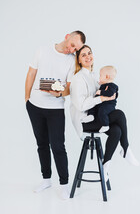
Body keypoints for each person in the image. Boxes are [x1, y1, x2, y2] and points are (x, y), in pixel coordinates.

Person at [25, 30, 86, 199]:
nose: (72, 50)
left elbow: (68, 87)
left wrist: (59, 93)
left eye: (75, 50)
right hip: (35, 106)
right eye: (72, 45)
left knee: (58, 146)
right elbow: (31, 73)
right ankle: (46, 180)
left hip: (55, 110)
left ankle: (64, 184)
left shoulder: (71, 61)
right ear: (68, 36)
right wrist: (26, 99)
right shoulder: (42, 50)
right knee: (41, 144)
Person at [70, 45, 140, 183]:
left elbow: (108, 93)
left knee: (117, 131)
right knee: (119, 115)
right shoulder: (78, 79)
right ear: (78, 60)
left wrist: (110, 94)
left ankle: (105, 167)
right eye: (83, 55)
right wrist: (101, 98)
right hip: (85, 120)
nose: (88, 56)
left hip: (97, 117)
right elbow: (81, 105)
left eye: (89, 53)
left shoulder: (95, 76)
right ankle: (126, 148)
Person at [82, 65, 118, 133]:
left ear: (107, 77)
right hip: (102, 103)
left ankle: (105, 125)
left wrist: (101, 91)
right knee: (93, 105)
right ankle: (91, 115)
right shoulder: (104, 85)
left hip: (108, 105)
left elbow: (110, 93)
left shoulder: (112, 85)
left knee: (102, 111)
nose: (99, 77)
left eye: (100, 75)